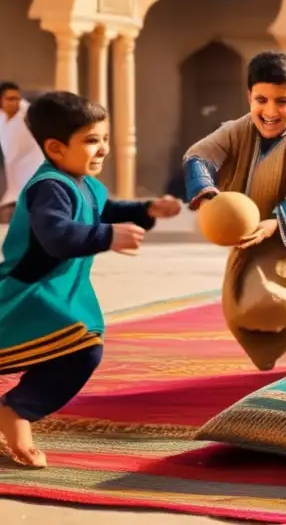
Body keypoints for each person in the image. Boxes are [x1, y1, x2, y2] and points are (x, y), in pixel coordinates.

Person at [0, 91, 180, 467]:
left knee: (75, 347)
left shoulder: (84, 182)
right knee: (80, 345)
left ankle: (17, 408)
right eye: (91, 141)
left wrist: (147, 209)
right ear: (55, 147)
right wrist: (109, 236)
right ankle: (16, 411)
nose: (102, 150)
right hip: (26, 294)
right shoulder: (49, 187)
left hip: (55, 293)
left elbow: (104, 208)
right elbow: (57, 236)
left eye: (105, 139)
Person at [183, 51, 286, 371]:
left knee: (266, 298)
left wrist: (272, 225)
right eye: (261, 99)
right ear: (249, 98)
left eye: (282, 101)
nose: (270, 111)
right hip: (244, 234)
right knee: (239, 308)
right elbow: (199, 155)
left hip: (283, 236)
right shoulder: (235, 130)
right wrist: (211, 196)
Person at [0, 82, 45, 224]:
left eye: (17, 98)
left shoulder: (29, 114)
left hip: (35, 182)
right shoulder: (1, 118)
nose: (15, 102)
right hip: (13, 188)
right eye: (10, 99)